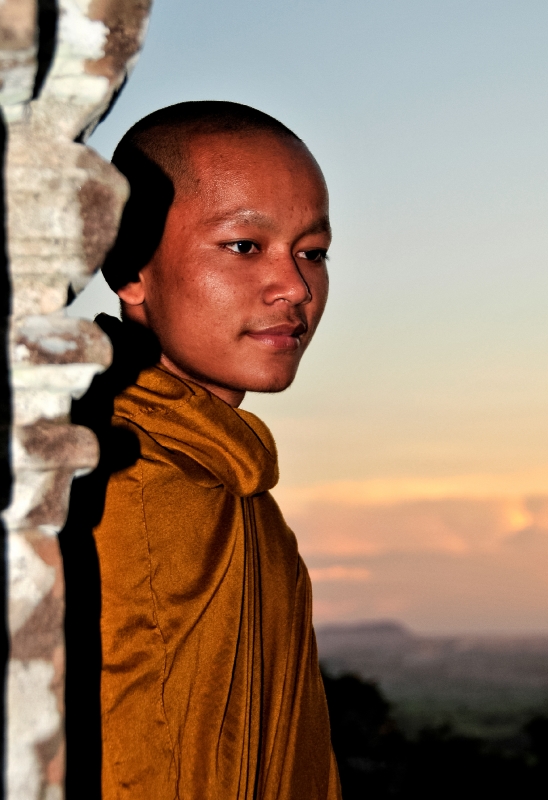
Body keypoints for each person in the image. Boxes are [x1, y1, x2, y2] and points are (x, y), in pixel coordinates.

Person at [69, 100, 340, 799]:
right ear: (130, 268)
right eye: (245, 247)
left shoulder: (237, 485)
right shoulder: (109, 481)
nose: (296, 288)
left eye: (311, 252)